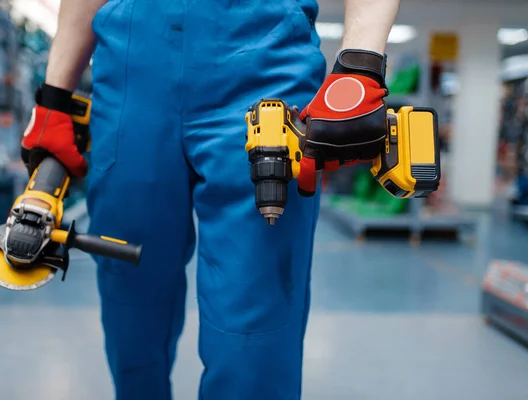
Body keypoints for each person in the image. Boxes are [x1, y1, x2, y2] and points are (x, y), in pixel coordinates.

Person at [21, 0, 400, 398]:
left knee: (255, 333)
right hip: (131, 71)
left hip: (263, 64)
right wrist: (54, 99)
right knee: (130, 307)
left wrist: (359, 65)